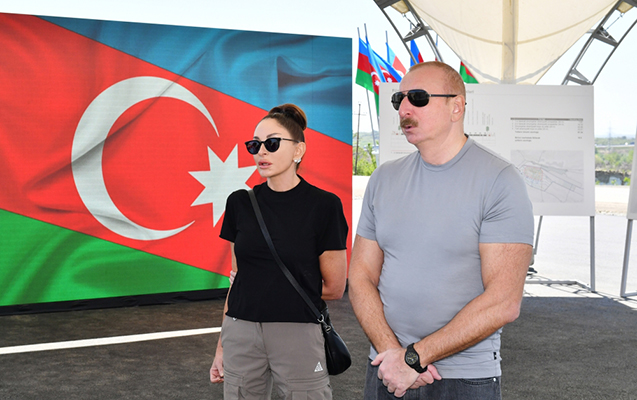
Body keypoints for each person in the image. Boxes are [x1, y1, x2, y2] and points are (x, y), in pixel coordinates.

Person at [348, 61, 534, 399]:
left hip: (464, 379)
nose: (404, 109)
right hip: (387, 369)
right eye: (399, 99)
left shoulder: (500, 180)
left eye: (418, 98)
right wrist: (393, 355)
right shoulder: (383, 179)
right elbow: (360, 276)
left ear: (456, 107)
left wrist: (415, 358)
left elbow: (504, 301)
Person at [209, 103, 349, 400]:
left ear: (299, 150)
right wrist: (222, 347)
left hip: (297, 330)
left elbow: (335, 287)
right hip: (241, 332)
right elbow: (238, 279)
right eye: (255, 145)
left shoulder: (324, 206)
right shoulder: (239, 203)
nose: (261, 152)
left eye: (272, 143)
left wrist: (271, 290)